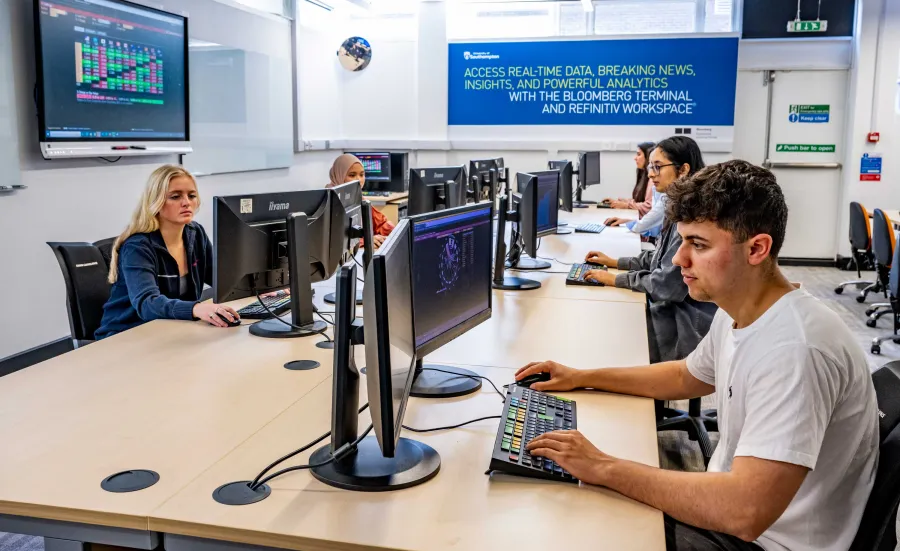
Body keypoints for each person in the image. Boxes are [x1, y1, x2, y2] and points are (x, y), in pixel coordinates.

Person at [516, 160, 878, 551]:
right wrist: (581, 376)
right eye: (683, 240)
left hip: (762, 541)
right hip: (738, 515)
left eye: (698, 245)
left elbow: (745, 512)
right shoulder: (745, 307)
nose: (678, 259)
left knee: (571, 523)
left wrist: (602, 466)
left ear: (757, 248)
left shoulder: (796, 349)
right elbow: (685, 377)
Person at [583, 136, 717, 362]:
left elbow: (665, 285)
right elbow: (659, 259)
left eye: (657, 167)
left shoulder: (692, 216)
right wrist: (617, 263)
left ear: (683, 169)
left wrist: (616, 279)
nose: (651, 174)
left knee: (615, 332)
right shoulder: (679, 205)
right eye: (650, 167)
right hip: (675, 306)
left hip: (686, 320)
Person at [95, 165, 239, 339]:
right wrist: (196, 308)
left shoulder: (195, 233)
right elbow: (147, 303)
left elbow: (221, 278)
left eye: (191, 196)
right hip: (126, 334)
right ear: (155, 201)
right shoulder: (138, 246)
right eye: (175, 196)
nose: (186, 202)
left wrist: (257, 288)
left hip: (171, 327)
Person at [328, 153, 393, 248]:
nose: (359, 180)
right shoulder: (330, 202)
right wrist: (366, 241)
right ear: (339, 175)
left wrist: (394, 234)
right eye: (352, 175)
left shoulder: (360, 199)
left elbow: (381, 223)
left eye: (362, 175)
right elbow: (336, 240)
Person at [605, 142, 664, 240]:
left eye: (657, 166)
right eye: (652, 166)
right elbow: (652, 227)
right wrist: (627, 219)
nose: (635, 158)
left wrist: (627, 205)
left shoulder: (660, 191)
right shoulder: (647, 178)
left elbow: (648, 207)